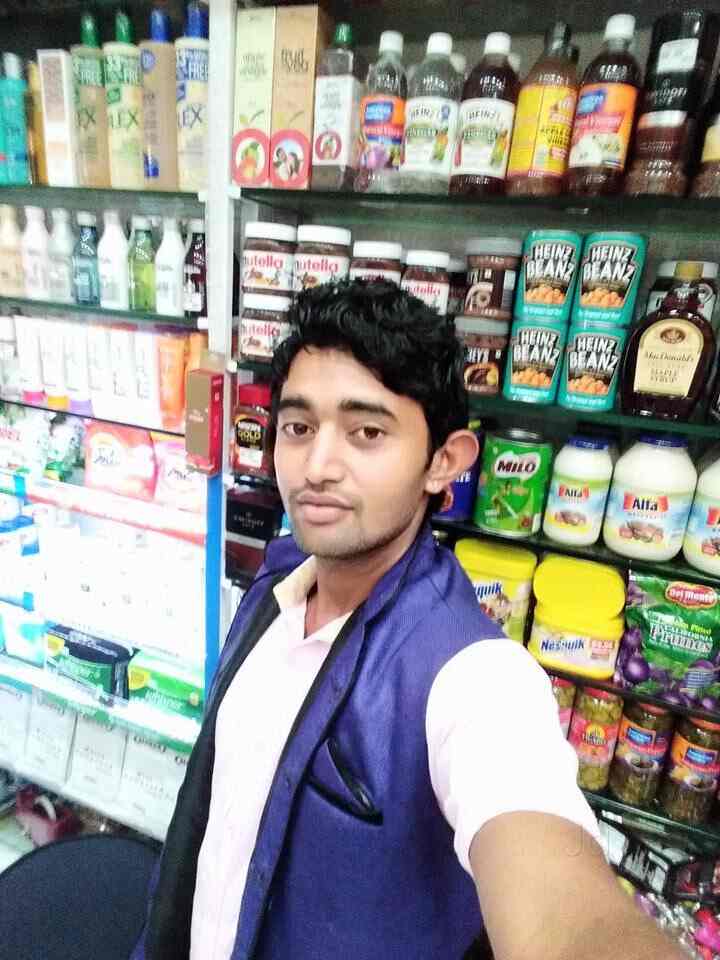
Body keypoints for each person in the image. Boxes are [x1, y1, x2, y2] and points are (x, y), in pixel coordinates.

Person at [133, 281, 683, 960]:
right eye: (298, 428)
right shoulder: (276, 586)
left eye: (367, 433)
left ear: (443, 462)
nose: (316, 467)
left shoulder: (476, 677)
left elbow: (564, 913)